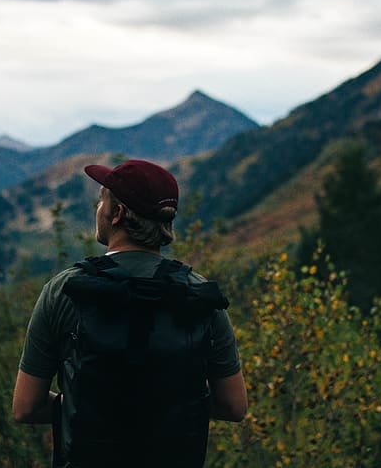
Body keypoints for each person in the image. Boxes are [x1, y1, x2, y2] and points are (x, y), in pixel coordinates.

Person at [12, 158, 247, 467]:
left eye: (101, 202)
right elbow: (234, 407)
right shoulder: (200, 296)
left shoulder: (65, 290)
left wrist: (80, 405)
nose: (98, 210)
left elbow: (25, 408)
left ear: (117, 213)